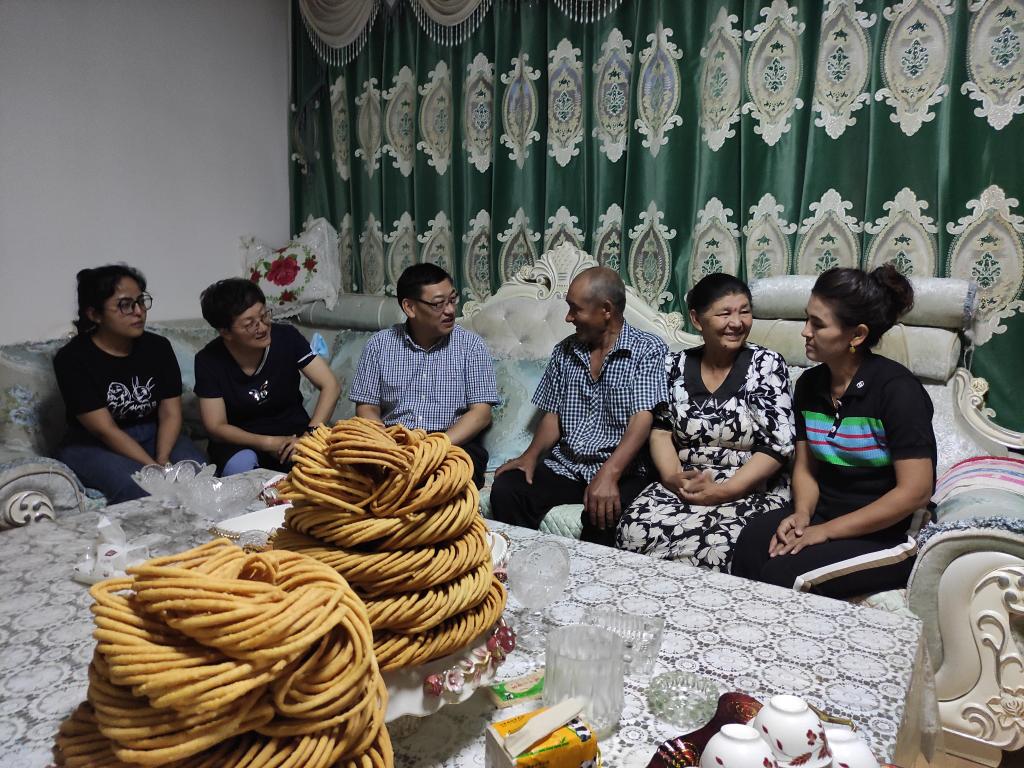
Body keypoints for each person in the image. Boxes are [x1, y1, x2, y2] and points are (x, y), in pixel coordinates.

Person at [732, 266, 936, 597]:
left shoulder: (898, 391)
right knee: (751, 543)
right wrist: (802, 514)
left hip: (888, 533)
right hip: (824, 514)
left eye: (818, 324)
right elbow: (805, 467)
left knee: (784, 576)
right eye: (807, 319)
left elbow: (915, 492)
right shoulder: (810, 385)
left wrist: (826, 531)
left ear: (857, 335)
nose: (805, 332)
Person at [615, 274, 795, 572]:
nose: (737, 322)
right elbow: (660, 431)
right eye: (724, 313)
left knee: (717, 544)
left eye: (744, 311)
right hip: (687, 483)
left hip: (750, 487)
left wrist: (725, 492)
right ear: (697, 319)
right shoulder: (673, 365)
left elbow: (778, 446)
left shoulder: (767, 365)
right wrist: (674, 478)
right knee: (633, 529)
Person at [490, 266, 668, 546]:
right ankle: (525, 563)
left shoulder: (648, 349)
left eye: (576, 309)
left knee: (604, 513)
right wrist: (530, 456)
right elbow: (553, 415)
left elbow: (642, 418)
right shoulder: (565, 351)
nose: (568, 317)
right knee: (508, 488)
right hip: (568, 465)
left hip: (623, 469)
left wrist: (609, 474)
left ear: (606, 310)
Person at [53, 265, 205, 503]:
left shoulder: (158, 347)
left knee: (198, 475)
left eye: (141, 301)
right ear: (94, 314)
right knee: (140, 488)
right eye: (125, 305)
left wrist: (162, 460)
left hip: (154, 433)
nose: (139, 312)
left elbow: (170, 413)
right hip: (94, 443)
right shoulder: (72, 359)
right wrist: (153, 469)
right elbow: (105, 430)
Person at [349, 263, 499, 486]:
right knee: (351, 472)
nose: (450, 310)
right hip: (394, 441)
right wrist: (388, 445)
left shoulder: (471, 346)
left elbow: (481, 414)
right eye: (438, 304)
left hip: (452, 444)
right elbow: (366, 408)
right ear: (410, 307)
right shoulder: (379, 345)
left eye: (452, 300)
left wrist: (434, 447)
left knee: (442, 479)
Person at [194, 278, 341, 475]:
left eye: (264, 316)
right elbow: (216, 426)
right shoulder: (208, 360)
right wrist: (269, 443)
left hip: (295, 436)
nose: (262, 327)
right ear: (225, 332)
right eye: (250, 324)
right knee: (241, 467)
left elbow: (330, 385)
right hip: (241, 443)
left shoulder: (287, 337)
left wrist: (310, 435)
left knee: (324, 472)